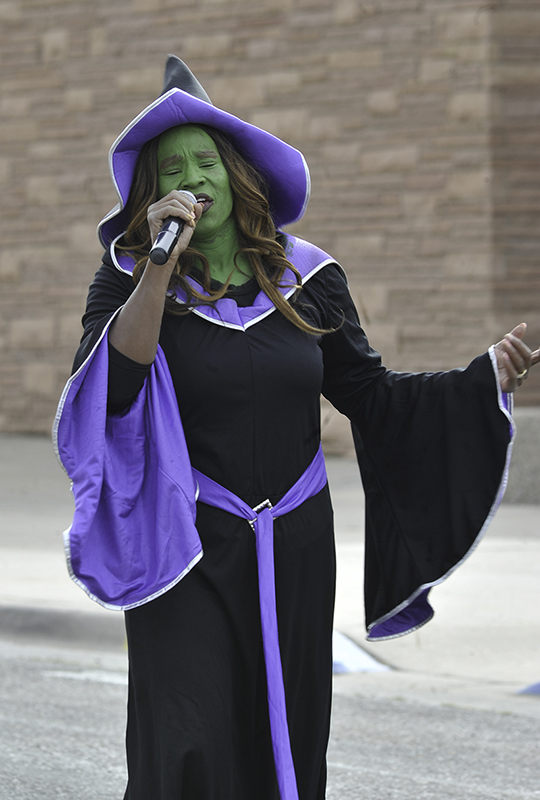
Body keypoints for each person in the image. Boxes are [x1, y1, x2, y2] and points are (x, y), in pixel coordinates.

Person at [54, 56, 539, 800]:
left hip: (295, 544)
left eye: (206, 160)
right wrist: (157, 267)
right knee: (189, 740)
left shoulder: (307, 277)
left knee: (282, 737)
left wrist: (481, 381)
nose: (195, 178)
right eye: (174, 168)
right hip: (184, 543)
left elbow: (370, 395)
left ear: (236, 171)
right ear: (153, 195)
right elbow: (113, 389)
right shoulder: (127, 278)